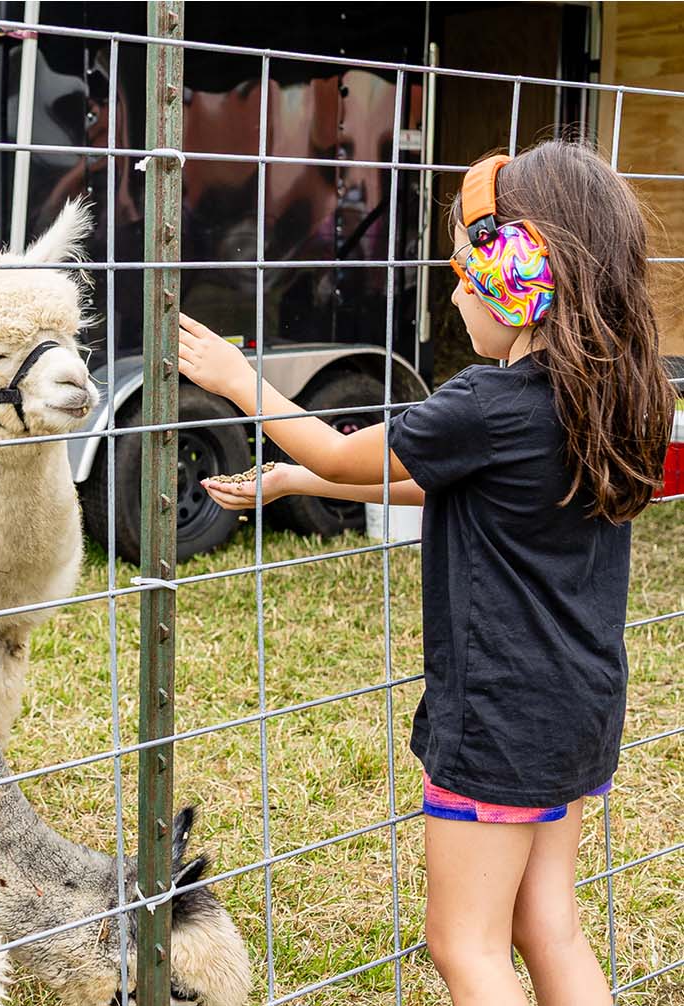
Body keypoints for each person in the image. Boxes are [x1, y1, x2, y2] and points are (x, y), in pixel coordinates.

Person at [175, 140, 674, 1005]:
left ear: (523, 277)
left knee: (466, 947)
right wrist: (298, 478)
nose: (451, 293)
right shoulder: (607, 394)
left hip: (497, 723)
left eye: (467, 273)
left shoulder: (485, 403)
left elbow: (340, 445)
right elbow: (445, 481)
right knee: (548, 922)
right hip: (577, 708)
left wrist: (240, 378)